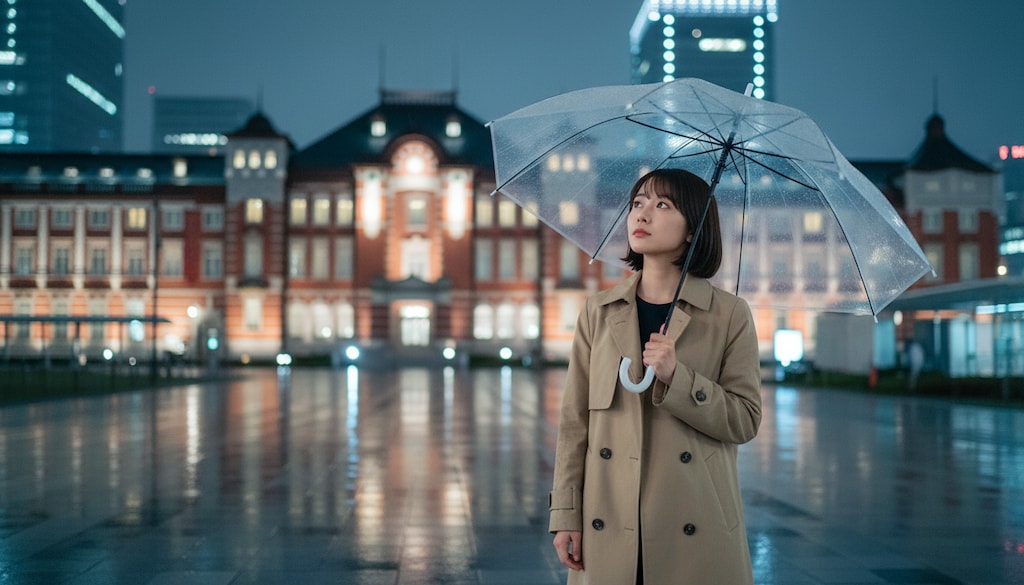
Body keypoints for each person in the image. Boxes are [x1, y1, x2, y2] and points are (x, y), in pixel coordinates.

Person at [549, 168, 762, 585]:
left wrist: (677, 377)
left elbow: (745, 419)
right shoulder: (600, 311)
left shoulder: (730, 315)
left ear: (692, 229)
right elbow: (575, 424)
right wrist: (565, 514)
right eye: (637, 203)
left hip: (694, 527)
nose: (641, 215)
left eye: (662, 205)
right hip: (607, 521)